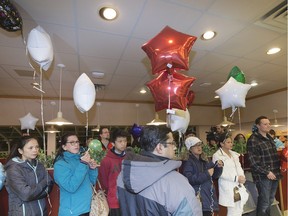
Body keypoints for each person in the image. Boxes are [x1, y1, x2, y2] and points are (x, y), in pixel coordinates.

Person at [117, 125, 202, 216]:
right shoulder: (176, 182)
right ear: (160, 147)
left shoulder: (123, 175)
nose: (175, 147)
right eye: (172, 143)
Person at [4, 136, 54, 216]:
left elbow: (50, 186)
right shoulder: (13, 169)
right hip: (22, 213)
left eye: (37, 147)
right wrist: (44, 182)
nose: (35, 150)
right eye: (30, 148)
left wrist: (33, 194)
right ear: (20, 151)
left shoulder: (39, 165)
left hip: (41, 212)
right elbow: (26, 195)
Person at [54, 133, 99, 216]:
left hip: (88, 208)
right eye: (72, 143)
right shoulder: (60, 164)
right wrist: (83, 164)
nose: (76, 145)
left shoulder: (81, 160)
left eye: (77, 142)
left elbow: (91, 182)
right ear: (64, 147)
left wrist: (92, 169)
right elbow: (71, 187)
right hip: (73, 212)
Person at [247, 116, 282, 216]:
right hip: (263, 176)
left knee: (270, 200)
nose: (268, 126)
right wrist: (267, 172)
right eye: (265, 124)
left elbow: (273, 156)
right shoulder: (253, 139)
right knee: (264, 202)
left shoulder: (269, 137)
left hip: (275, 173)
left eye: (269, 123)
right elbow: (253, 162)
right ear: (258, 125)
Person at [182, 136, 223, 216]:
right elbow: (189, 179)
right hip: (199, 199)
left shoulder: (205, 160)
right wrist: (206, 174)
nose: (199, 147)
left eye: (200, 145)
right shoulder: (188, 162)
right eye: (195, 145)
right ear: (190, 149)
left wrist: (218, 167)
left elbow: (215, 175)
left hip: (208, 198)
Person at [212, 133, 248, 216]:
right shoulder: (217, 155)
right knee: (232, 210)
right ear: (221, 144)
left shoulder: (234, 154)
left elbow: (238, 167)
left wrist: (242, 176)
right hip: (228, 185)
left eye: (231, 142)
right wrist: (236, 178)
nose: (231, 144)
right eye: (228, 142)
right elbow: (221, 173)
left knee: (240, 208)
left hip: (238, 183)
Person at [98, 128, 129, 216]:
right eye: (120, 141)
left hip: (129, 200)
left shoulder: (129, 158)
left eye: (125, 141)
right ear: (113, 143)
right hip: (114, 201)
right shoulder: (106, 160)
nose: (123, 144)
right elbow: (103, 182)